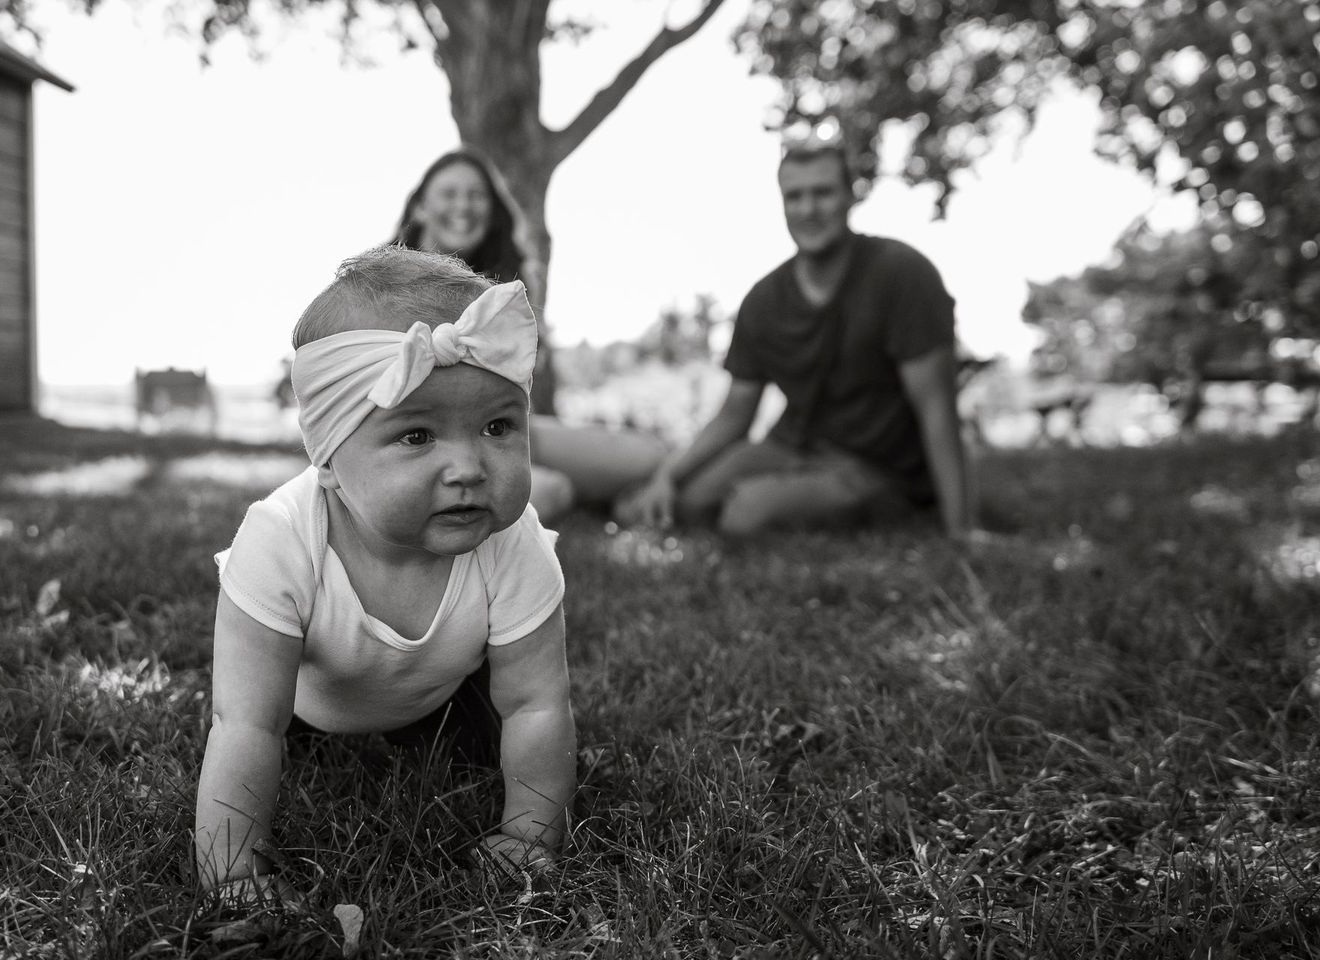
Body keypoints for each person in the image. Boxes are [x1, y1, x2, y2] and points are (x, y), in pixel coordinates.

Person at [195, 246, 576, 904]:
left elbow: (538, 703)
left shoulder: (513, 542)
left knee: (498, 728)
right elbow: (246, 722)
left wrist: (529, 834)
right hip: (304, 709)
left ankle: (439, 735)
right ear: (330, 459)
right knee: (256, 732)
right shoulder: (281, 540)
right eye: (417, 436)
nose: (468, 468)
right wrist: (232, 872)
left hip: (444, 692)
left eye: (496, 426)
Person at [619, 138, 974, 538]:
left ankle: (903, 511)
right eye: (795, 197)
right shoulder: (764, 298)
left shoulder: (903, 274)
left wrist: (960, 528)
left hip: (878, 465)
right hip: (790, 448)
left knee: (746, 515)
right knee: (689, 501)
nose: (809, 209)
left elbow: (937, 407)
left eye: (823, 193)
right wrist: (669, 474)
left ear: (850, 196)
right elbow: (736, 412)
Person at [391, 150, 667, 517]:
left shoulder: (508, 283)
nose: (464, 205)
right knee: (552, 491)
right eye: (450, 194)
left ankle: (620, 497)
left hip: (502, 431)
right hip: (420, 435)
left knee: (650, 456)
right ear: (421, 207)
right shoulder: (384, 280)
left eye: (476, 195)